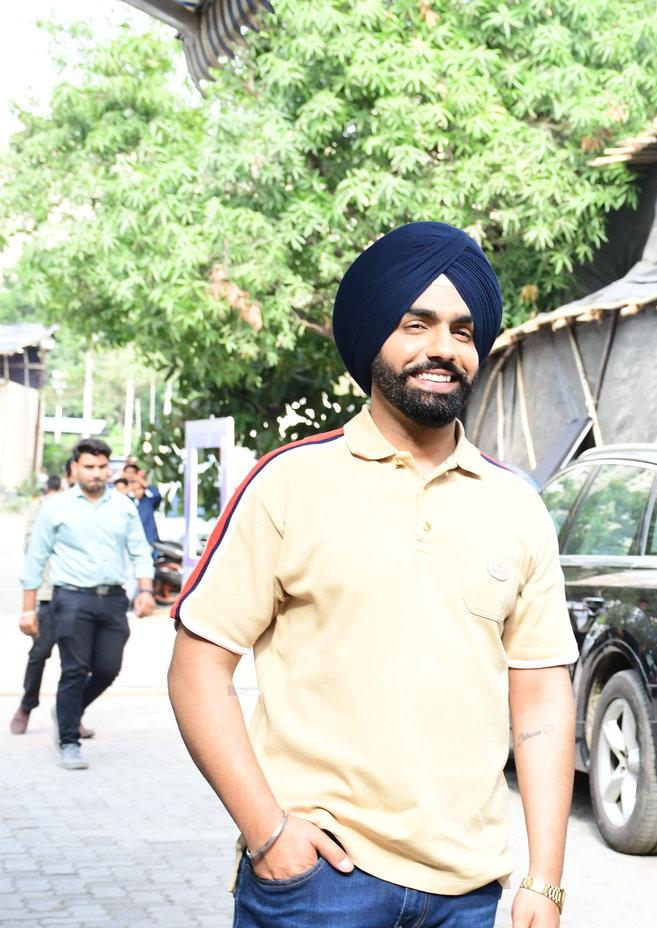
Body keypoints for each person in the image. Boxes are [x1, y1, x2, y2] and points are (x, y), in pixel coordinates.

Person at [166, 221, 577, 928]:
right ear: (373, 336)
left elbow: (540, 696)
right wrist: (268, 832)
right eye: (416, 324)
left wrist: (546, 879)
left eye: (462, 331)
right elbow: (197, 667)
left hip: (469, 892)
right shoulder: (289, 484)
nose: (442, 348)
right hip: (320, 882)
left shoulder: (517, 505)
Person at [19, 438, 156, 769]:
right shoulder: (56, 507)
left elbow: (140, 551)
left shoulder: (123, 506)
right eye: (89, 467)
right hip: (71, 599)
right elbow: (35, 559)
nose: (96, 473)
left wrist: (146, 590)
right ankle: (69, 742)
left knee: (108, 669)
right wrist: (28, 609)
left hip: (113, 600)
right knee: (74, 669)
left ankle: (67, 710)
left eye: (102, 467)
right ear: (75, 468)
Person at [10, 475, 95, 738]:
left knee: (79, 663)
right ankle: (26, 705)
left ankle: (71, 715)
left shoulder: (87, 507)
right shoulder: (43, 507)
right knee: (39, 654)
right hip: (49, 595)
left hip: (80, 595)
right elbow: (30, 548)